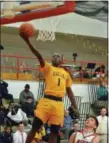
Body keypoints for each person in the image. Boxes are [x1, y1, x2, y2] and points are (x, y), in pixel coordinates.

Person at [20, 33, 78, 143]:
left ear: (62, 59)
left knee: (54, 132)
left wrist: (75, 106)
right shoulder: (48, 68)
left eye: (58, 56)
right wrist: (28, 41)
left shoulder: (66, 73)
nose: (55, 57)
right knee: (35, 127)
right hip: (46, 101)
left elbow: (69, 91)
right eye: (53, 56)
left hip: (59, 104)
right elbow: (39, 56)